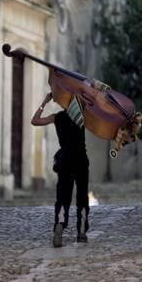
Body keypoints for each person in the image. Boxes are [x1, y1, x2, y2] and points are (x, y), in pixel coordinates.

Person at [31, 92, 90, 248]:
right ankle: (82, 231)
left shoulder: (58, 117)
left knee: (63, 197)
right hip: (81, 161)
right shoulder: (83, 118)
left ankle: (59, 225)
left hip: (65, 161)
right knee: (82, 197)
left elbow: (35, 121)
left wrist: (44, 101)